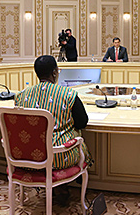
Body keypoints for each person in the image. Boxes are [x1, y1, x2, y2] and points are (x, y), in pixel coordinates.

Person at [14, 55, 92, 204]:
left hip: (27, 155)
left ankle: (55, 186)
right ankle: (62, 186)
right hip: (59, 156)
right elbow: (82, 123)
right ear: (55, 72)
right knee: (76, 137)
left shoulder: (21, 96)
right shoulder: (68, 94)